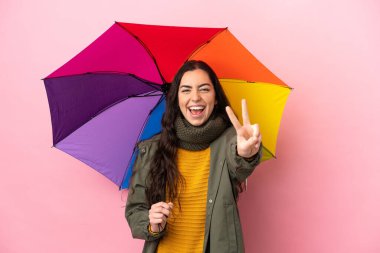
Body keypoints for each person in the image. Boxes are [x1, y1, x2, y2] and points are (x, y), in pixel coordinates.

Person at [125, 60, 262, 253]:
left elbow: (238, 165)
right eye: (186, 90)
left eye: (204, 89)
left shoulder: (231, 142)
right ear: (176, 99)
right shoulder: (153, 149)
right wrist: (151, 222)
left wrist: (246, 154)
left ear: (215, 98)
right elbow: (135, 211)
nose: (195, 97)